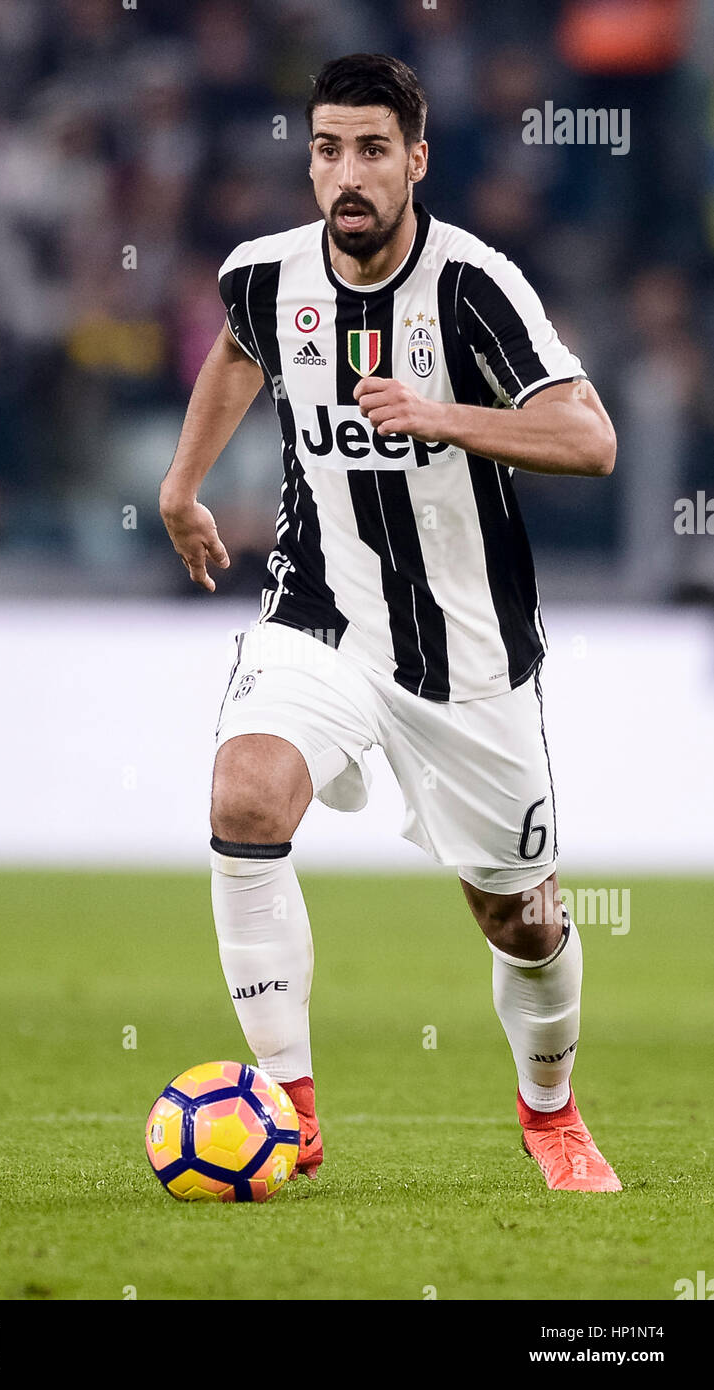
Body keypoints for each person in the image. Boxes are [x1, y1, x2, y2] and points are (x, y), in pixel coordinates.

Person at [160, 53, 621, 1192]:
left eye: (372, 150)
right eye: (327, 150)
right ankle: (288, 1107)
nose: (346, 175)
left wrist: (441, 415)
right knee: (244, 793)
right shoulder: (267, 277)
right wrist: (183, 484)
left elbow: (590, 441)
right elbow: (236, 346)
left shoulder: (474, 286)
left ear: (417, 158)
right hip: (319, 614)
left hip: (466, 657)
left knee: (518, 920)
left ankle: (550, 1111)